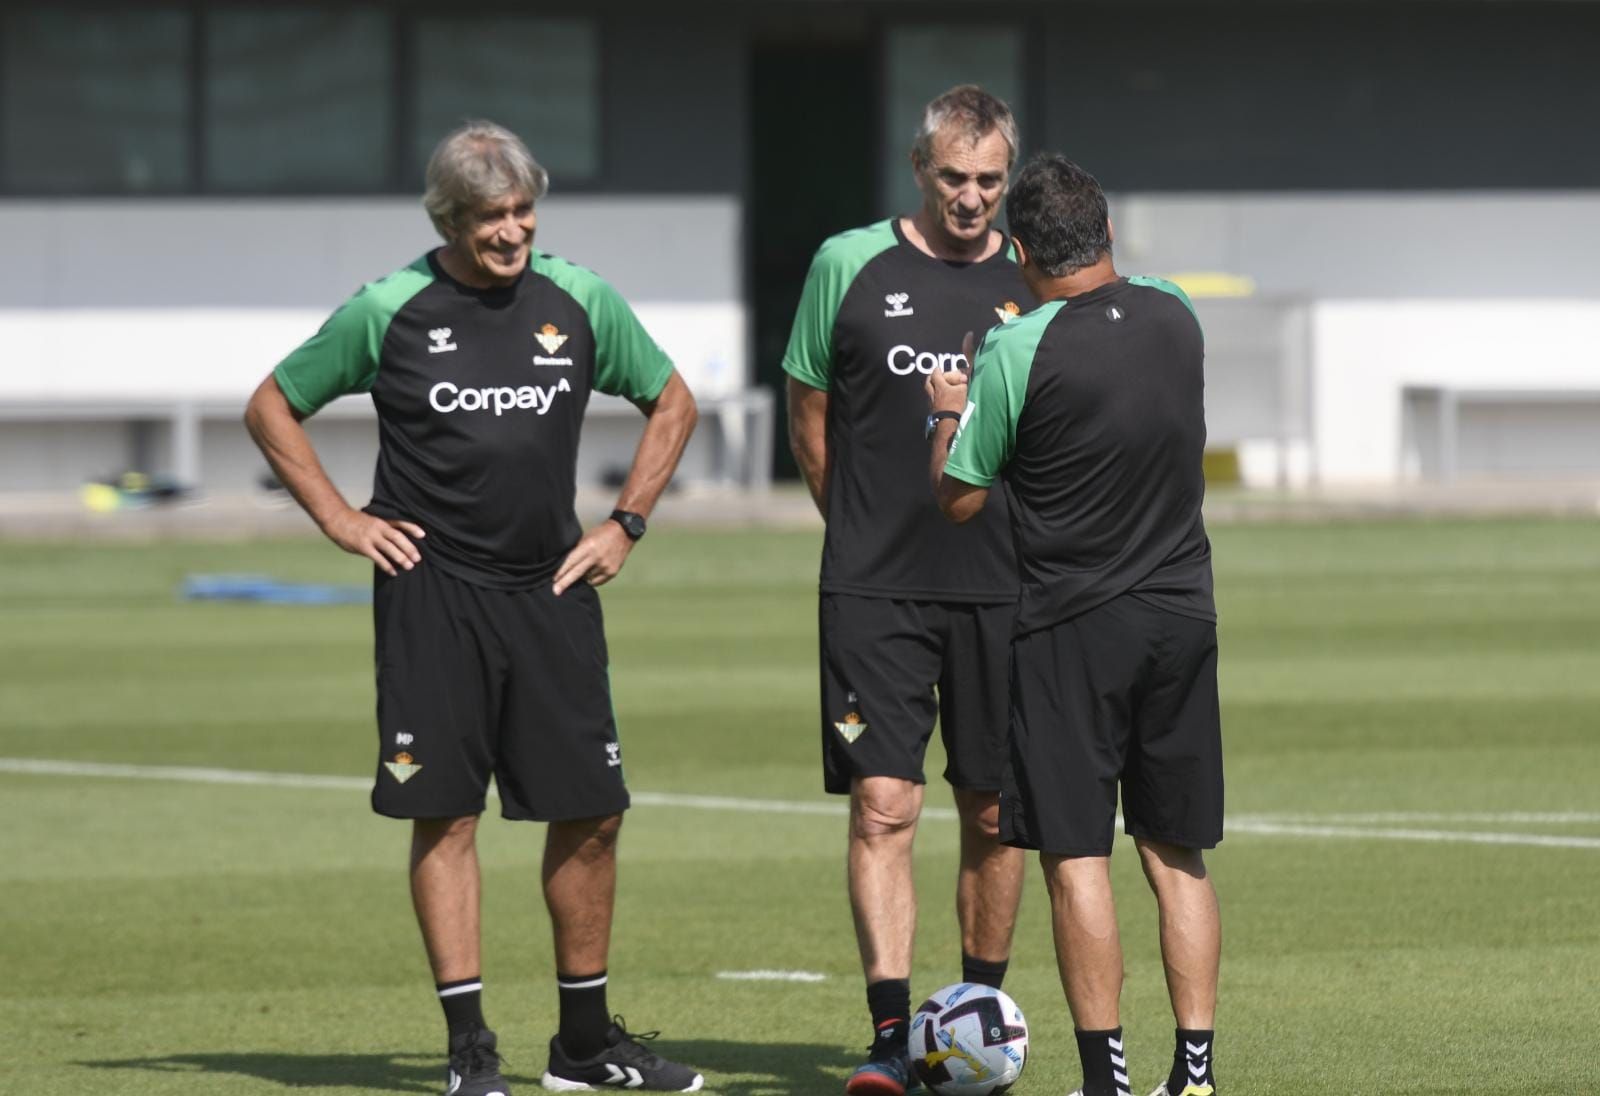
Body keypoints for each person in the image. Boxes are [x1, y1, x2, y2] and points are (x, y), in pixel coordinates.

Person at [243, 120, 704, 1095]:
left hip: (552, 588)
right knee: (446, 816)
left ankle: (583, 1044)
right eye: (492, 216)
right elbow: (273, 404)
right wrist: (338, 518)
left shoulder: (578, 298)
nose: (512, 231)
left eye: (524, 210)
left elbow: (672, 399)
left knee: (592, 811)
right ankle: (469, 1055)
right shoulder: (390, 307)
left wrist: (625, 522)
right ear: (449, 218)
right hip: (433, 596)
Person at [926, 154, 1224, 1096]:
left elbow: (960, 502)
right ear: (1107, 234)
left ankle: (1108, 1083)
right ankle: (1198, 1073)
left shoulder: (1019, 350)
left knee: (1077, 855)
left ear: (1019, 250)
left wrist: (948, 413)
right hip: (1183, 615)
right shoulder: (1177, 310)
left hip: (1071, 629)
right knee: (1177, 853)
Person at [781, 85, 1033, 1096]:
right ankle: (892, 1035)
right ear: (917, 170)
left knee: (991, 812)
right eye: (952, 179)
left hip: (1005, 587)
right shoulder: (845, 262)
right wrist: (855, 527)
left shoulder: (1035, 274)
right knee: (884, 805)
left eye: (988, 180)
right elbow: (809, 405)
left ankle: (976, 1023)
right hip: (875, 587)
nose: (971, 198)